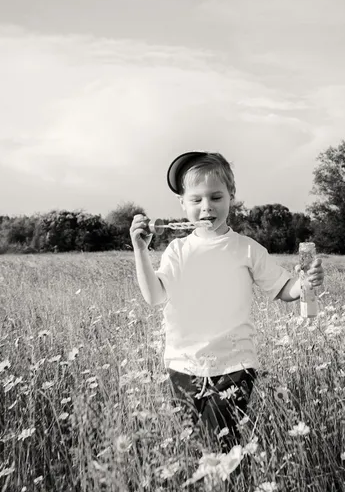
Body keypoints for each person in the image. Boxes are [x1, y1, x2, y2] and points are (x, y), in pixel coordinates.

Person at [129, 151, 324, 452]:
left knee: (220, 445)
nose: (206, 207)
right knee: (193, 449)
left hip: (235, 365)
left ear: (231, 197)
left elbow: (284, 288)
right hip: (183, 365)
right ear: (182, 203)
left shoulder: (247, 249)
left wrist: (304, 283)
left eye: (216, 197)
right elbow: (154, 297)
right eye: (196, 200)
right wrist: (141, 251)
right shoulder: (177, 250)